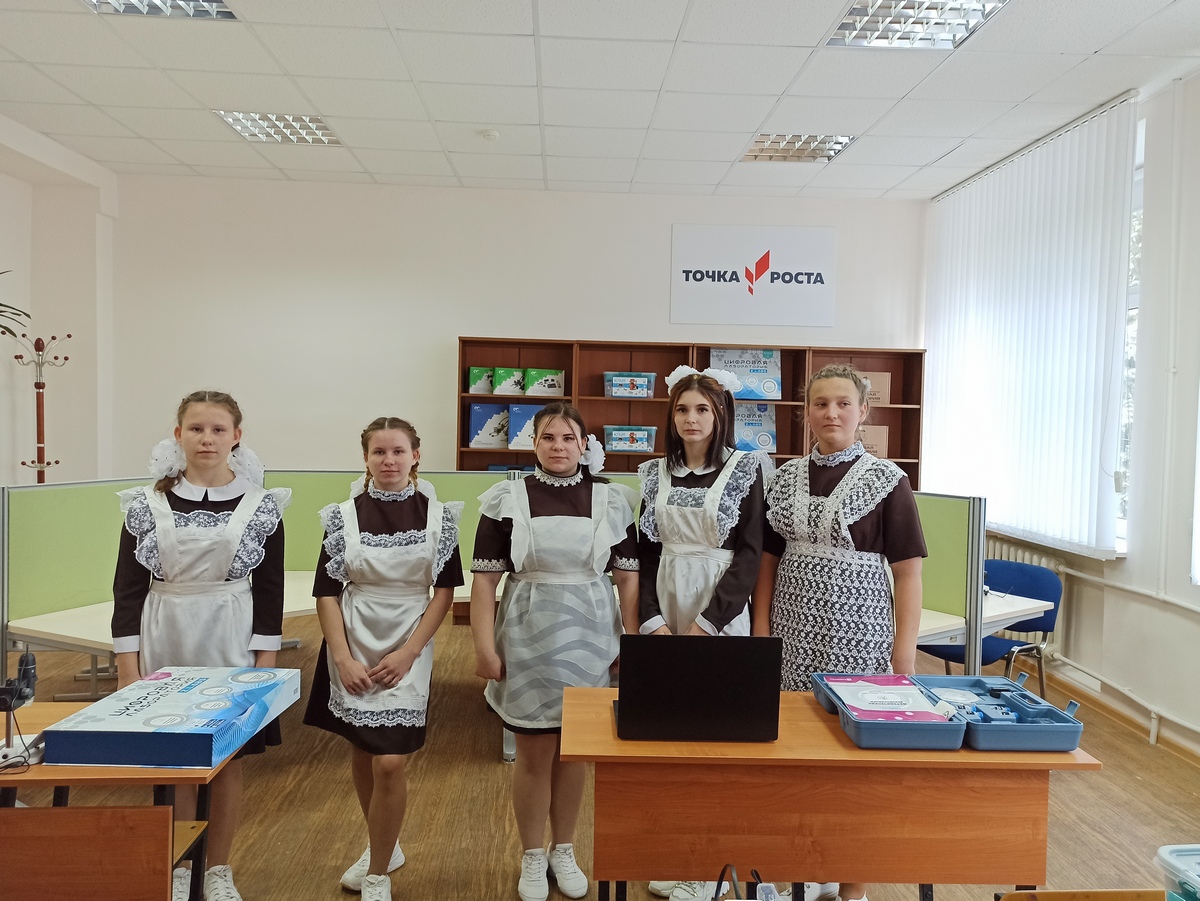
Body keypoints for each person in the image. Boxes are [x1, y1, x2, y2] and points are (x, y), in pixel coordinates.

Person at [752, 363, 928, 901]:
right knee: (793, 758)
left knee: (856, 765)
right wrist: (761, 631)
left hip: (861, 635)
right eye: (820, 403)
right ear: (805, 414)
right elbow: (767, 561)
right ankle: (796, 874)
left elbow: (908, 573)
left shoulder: (888, 481)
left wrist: (903, 654)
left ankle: (851, 886)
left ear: (863, 411)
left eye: (843, 403)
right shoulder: (783, 479)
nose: (831, 413)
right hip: (791, 633)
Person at [112, 390, 290, 901]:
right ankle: (176, 867)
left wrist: (266, 664)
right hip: (164, 634)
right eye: (196, 429)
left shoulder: (261, 506)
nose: (206, 439)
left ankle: (218, 869)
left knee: (227, 760)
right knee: (172, 758)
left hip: (231, 635)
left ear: (237, 437)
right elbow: (127, 589)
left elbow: (270, 590)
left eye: (217, 429)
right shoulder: (146, 504)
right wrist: (127, 667)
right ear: (178, 435)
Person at [470, 402, 639, 901]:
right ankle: (531, 853)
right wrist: (484, 648)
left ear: (584, 444)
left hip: (591, 633)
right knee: (533, 750)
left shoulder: (611, 499)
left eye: (568, 438)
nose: (558, 446)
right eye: (548, 437)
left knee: (575, 752)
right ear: (534, 443)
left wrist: (630, 644)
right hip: (527, 631)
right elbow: (484, 584)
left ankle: (563, 848)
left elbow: (628, 580)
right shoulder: (506, 498)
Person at [304, 417, 463, 901]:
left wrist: (410, 652)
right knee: (363, 747)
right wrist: (342, 657)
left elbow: (444, 592)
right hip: (353, 640)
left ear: (416, 456)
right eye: (379, 452)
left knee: (390, 761)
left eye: (398, 451)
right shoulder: (342, 516)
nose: (389, 460)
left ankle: (376, 874)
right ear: (366, 459)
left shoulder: (439, 516)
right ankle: (384, 846)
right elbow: (326, 593)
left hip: (409, 641)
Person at [637, 366, 769, 901]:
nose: (691, 419)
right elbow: (644, 554)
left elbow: (751, 554)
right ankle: (681, 856)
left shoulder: (744, 469)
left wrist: (706, 624)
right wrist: (653, 621)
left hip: (719, 611)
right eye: (682, 409)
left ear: (720, 416)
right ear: (671, 417)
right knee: (670, 738)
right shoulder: (653, 474)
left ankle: (713, 864)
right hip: (666, 607)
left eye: (702, 410)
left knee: (717, 741)